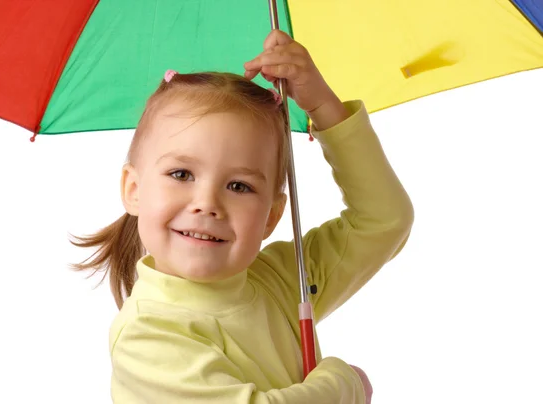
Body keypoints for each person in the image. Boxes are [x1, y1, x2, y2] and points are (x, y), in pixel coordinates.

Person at [71, 30, 413, 403]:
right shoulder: (149, 335)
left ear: (271, 216)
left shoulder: (284, 279)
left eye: (238, 186)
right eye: (181, 174)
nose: (207, 203)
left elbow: (384, 219)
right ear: (133, 190)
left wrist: (324, 107)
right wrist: (344, 383)